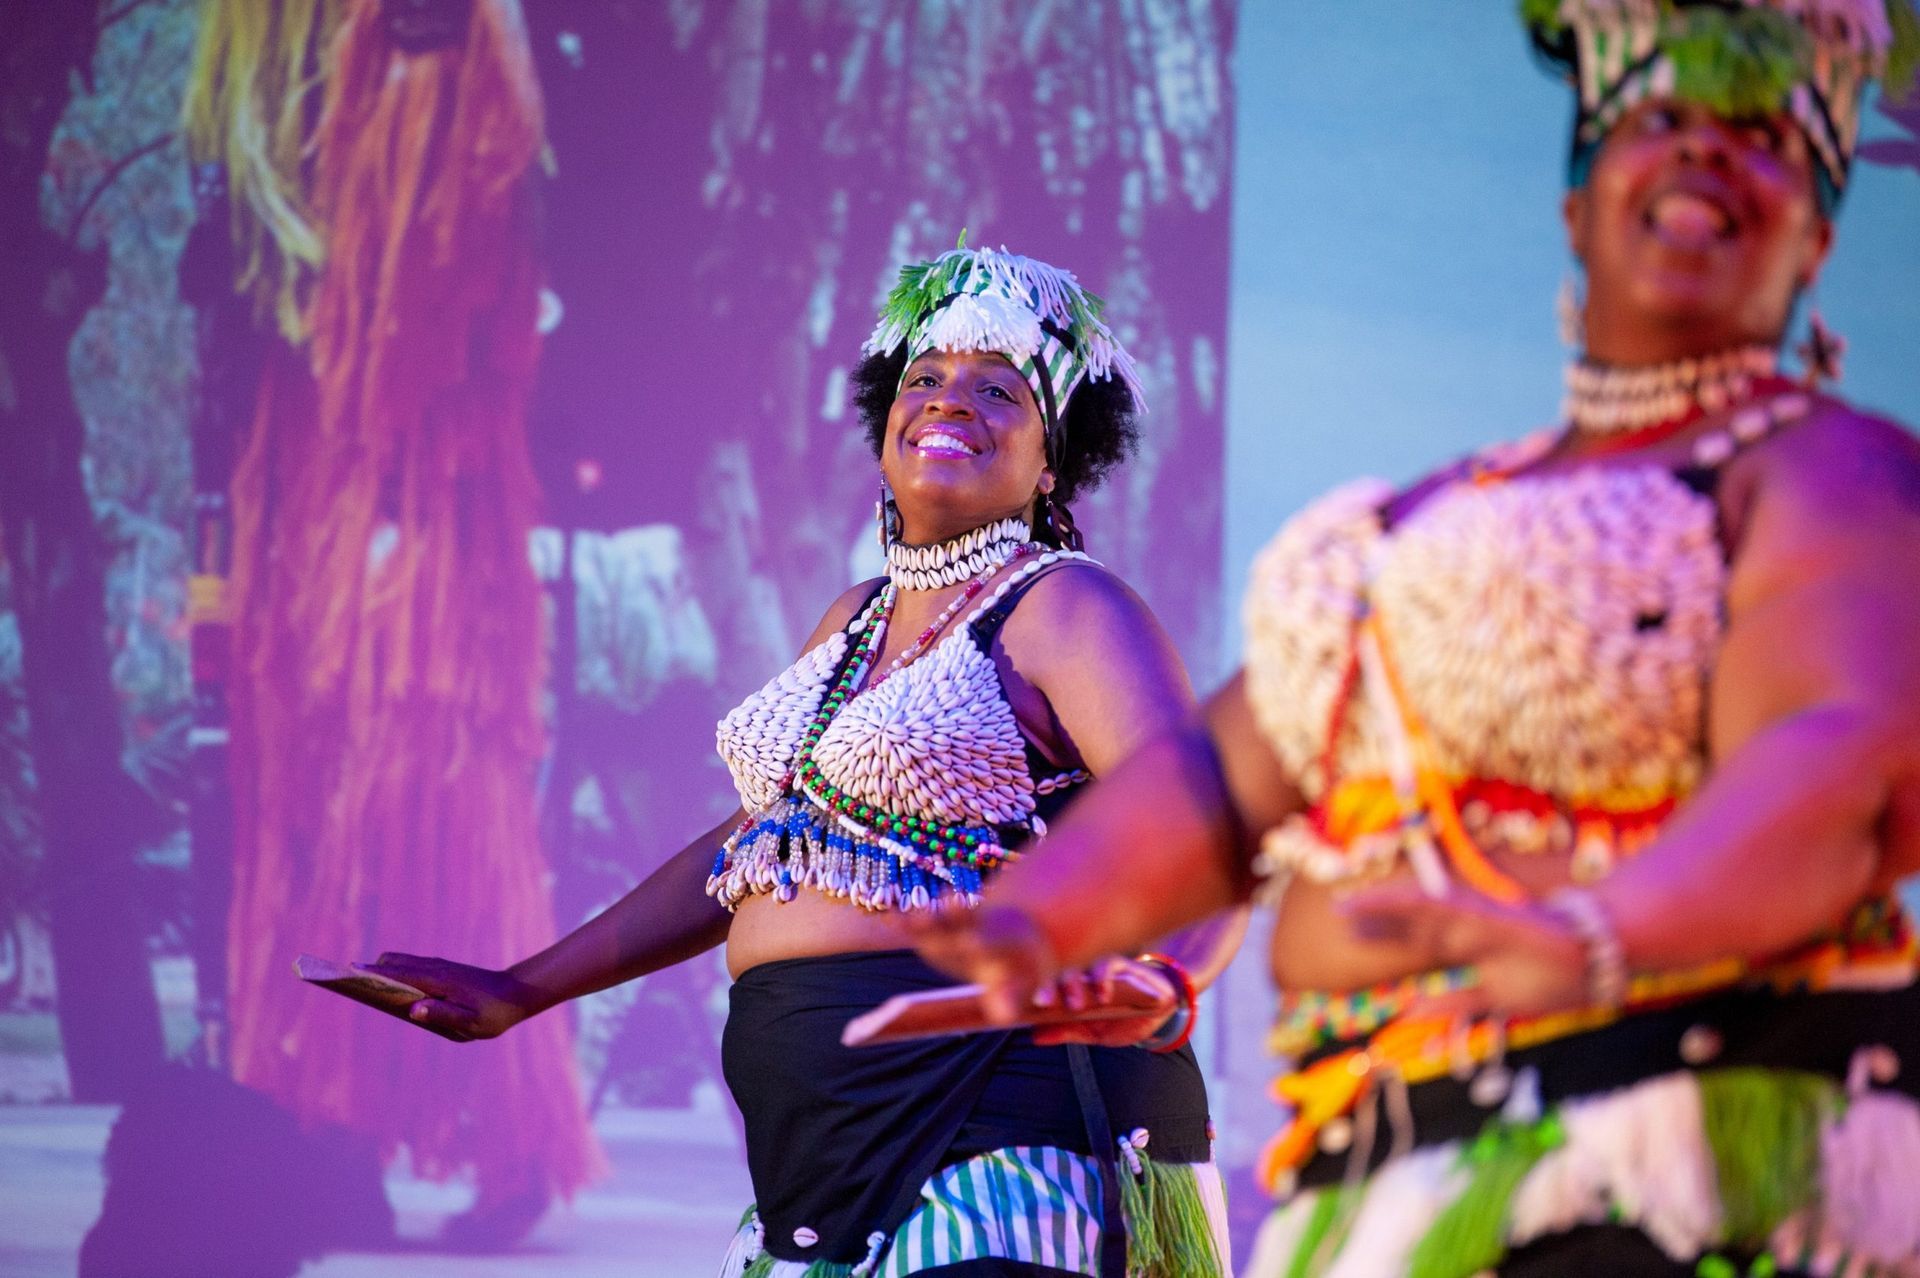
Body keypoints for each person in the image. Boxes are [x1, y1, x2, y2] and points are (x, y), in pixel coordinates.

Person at [910, 5, 1920, 1275]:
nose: (1705, 154)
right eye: (1659, 120)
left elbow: (1841, 762)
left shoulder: (1821, 474)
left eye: (1761, 136)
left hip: (1671, 1148)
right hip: (1396, 1165)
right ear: (1578, 202)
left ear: (1821, 233)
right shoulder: (1430, 512)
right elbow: (1226, 785)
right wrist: (1039, 918)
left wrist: (1601, 936)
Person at [364, 243, 1242, 1276]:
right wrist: (521, 989)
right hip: (821, 1171)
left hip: (999, 1136)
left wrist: (1169, 981)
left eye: (998, 388)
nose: (949, 401)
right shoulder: (855, 621)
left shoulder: (1067, 607)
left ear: (1054, 458)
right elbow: (768, 845)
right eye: (923, 379)